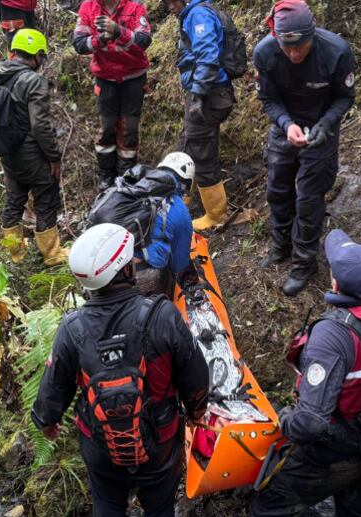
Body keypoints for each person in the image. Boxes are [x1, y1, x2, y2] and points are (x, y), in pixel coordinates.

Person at [31, 223, 209, 517]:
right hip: (160, 445)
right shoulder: (162, 315)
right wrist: (196, 412)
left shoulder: (72, 329)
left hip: (101, 449)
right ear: (126, 270)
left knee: (107, 507)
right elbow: (196, 378)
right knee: (160, 508)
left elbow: (52, 392)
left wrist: (48, 424)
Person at [250, 229, 361, 517]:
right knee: (352, 509)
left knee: (268, 506)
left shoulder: (332, 335)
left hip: (334, 447)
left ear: (335, 283)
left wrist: (284, 420)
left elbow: (310, 424)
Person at [253, 0, 355, 296]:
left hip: (321, 127)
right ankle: (281, 245)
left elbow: (345, 97)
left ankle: (304, 262)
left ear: (312, 35)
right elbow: (268, 99)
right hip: (285, 127)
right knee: (277, 190)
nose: (294, 54)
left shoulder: (336, 51)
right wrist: (286, 125)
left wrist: (327, 123)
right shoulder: (265, 53)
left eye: (301, 47)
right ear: (277, 38)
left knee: (309, 198)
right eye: (287, 48)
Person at [0, 29, 68, 267]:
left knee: (13, 201)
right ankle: (52, 254)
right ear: (35, 55)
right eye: (41, 56)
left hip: (7, 151)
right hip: (31, 154)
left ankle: (17, 255)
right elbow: (40, 126)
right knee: (46, 198)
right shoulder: (34, 81)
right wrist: (54, 156)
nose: (41, 61)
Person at [166, 0, 236, 231]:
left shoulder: (199, 15)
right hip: (206, 92)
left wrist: (198, 93)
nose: (170, 7)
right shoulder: (194, 13)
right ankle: (179, 203)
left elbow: (207, 55)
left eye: (172, 2)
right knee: (187, 145)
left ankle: (216, 215)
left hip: (208, 95)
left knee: (201, 152)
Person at [88, 152, 197, 296]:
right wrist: (191, 279)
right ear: (185, 184)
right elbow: (180, 263)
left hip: (101, 271)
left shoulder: (130, 188)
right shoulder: (178, 208)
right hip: (138, 275)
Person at [73, 0, 153, 189]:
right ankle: (106, 174)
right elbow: (78, 44)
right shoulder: (88, 7)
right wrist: (100, 39)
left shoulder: (134, 6)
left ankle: (126, 174)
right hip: (105, 77)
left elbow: (144, 40)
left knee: (129, 127)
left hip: (133, 77)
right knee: (107, 126)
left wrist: (118, 31)